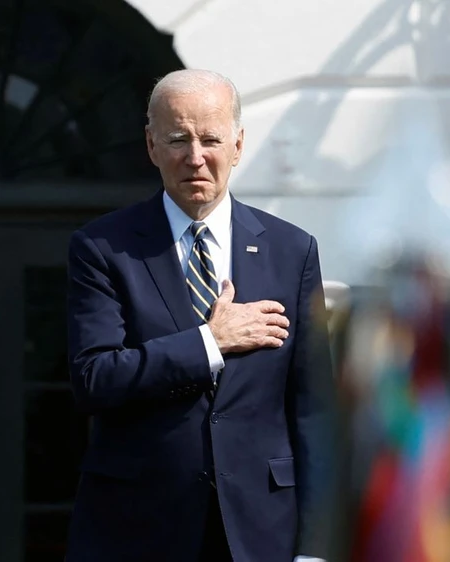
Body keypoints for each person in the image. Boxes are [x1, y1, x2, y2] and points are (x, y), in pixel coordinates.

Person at [65, 69, 336, 562]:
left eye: (210, 139)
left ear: (237, 145)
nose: (195, 157)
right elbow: (95, 378)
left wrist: (316, 546)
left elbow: (314, 409)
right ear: (151, 146)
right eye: (177, 140)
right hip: (138, 527)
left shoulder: (291, 251)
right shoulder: (103, 248)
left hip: (261, 530)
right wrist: (210, 342)